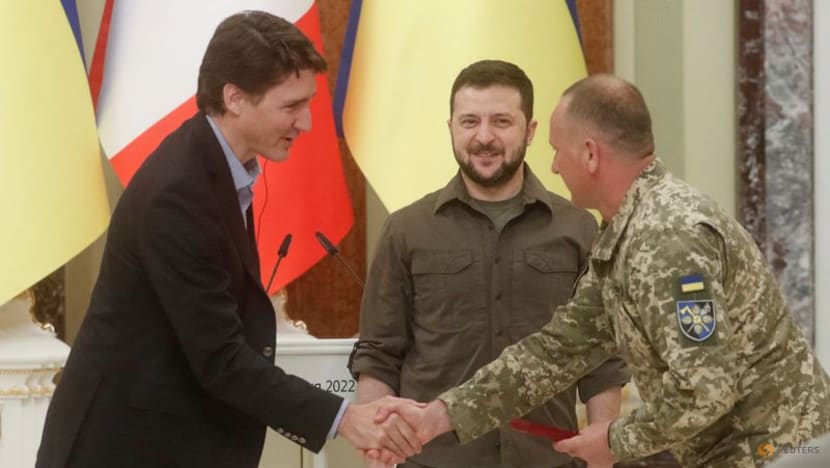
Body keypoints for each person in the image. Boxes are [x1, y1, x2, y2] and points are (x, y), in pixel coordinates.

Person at [372, 74, 830, 467]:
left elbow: (705, 390)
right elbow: (557, 350)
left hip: (777, 453)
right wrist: (439, 415)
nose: (553, 166)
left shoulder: (667, 236)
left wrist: (613, 441)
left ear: (590, 154)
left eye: (558, 150)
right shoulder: (625, 233)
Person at [36, 11, 421, 468]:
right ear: (234, 98)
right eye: (291, 106)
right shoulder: (179, 192)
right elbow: (220, 360)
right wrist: (346, 419)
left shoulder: (215, 168)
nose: (306, 123)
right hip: (123, 446)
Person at [350, 60, 629, 468]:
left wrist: (603, 447)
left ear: (530, 130)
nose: (484, 137)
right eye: (469, 122)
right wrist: (377, 446)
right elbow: (379, 353)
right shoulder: (406, 230)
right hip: (433, 462)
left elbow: (601, 358)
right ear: (450, 128)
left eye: (501, 121)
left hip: (547, 460)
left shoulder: (578, 229)